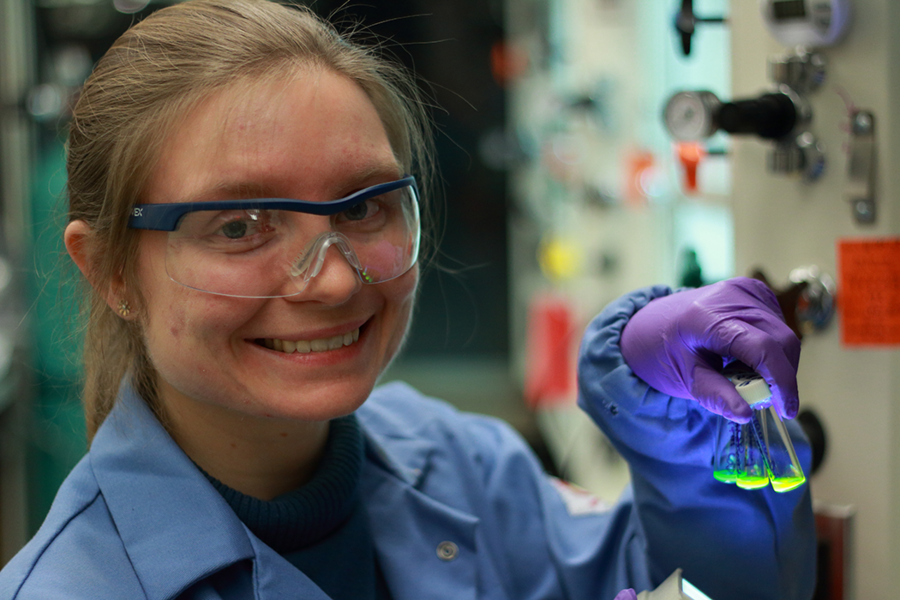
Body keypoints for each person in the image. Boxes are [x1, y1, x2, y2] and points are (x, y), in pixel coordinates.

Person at [0, 1, 816, 599]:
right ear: (110, 271)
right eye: (240, 226)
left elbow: (711, 587)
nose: (332, 280)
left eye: (363, 208)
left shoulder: (461, 466)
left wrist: (676, 428)